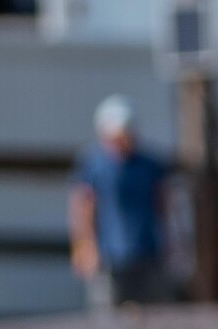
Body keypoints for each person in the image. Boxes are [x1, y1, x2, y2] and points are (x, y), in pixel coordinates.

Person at [70, 96, 175, 308]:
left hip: (147, 253)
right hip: (109, 257)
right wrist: (85, 246)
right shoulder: (94, 166)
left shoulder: (149, 165)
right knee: (109, 316)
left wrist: (172, 242)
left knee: (155, 312)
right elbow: (83, 208)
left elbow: (163, 205)